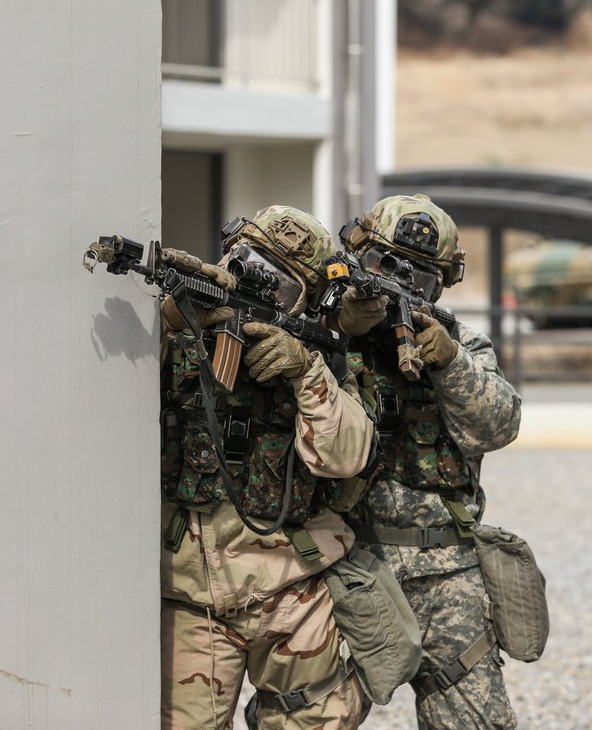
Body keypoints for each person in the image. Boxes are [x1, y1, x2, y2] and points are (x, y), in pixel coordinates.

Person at [159, 205, 374, 730]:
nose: (256, 286)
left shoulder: (321, 359)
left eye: (278, 284)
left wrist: (306, 371)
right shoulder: (174, 335)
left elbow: (346, 455)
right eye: (247, 263)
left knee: (321, 718)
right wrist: (171, 321)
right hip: (192, 595)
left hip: (291, 586)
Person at [334, 194, 523, 729]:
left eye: (422, 278)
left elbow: (498, 426)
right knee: (311, 714)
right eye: (385, 265)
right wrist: (339, 332)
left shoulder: (463, 345)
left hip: (450, 574)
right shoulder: (326, 334)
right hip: (347, 564)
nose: (401, 284)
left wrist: (450, 363)